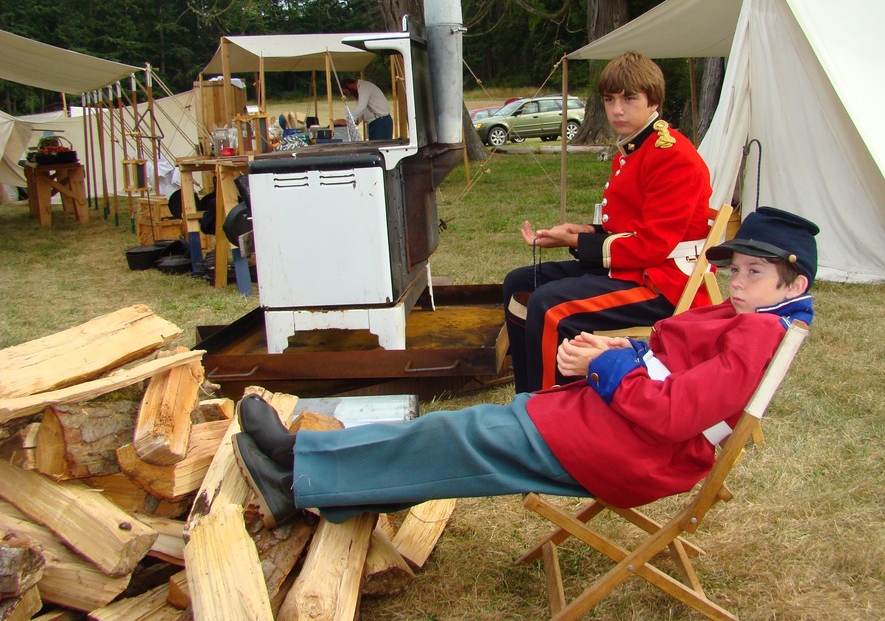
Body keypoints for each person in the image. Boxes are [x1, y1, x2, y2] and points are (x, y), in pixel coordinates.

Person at [232, 207, 819, 528]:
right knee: (465, 441)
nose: (736, 283)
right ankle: (324, 491)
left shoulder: (758, 331)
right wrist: (610, 354)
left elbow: (675, 414)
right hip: (617, 430)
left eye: (754, 274)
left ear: (795, 283)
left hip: (637, 450)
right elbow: (674, 372)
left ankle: (297, 468)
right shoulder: (755, 315)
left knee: (461, 433)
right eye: (735, 269)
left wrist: (606, 371)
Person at [503, 51, 713, 394]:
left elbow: (651, 245)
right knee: (519, 283)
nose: (617, 110)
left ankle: (545, 410)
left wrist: (577, 243)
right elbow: (629, 225)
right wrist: (582, 232)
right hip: (635, 267)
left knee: (549, 304)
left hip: (663, 283)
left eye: (629, 99)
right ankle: (527, 395)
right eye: (610, 99)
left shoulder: (673, 156)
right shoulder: (632, 149)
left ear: (653, 101)